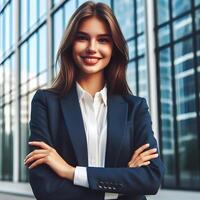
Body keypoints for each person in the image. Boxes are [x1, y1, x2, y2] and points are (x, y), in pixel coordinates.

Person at [24, 1, 164, 200]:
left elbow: (151, 178)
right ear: (71, 44)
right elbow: (45, 187)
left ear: (114, 47)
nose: (92, 48)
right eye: (82, 38)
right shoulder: (46, 103)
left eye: (103, 40)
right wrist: (121, 184)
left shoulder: (136, 108)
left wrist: (70, 172)